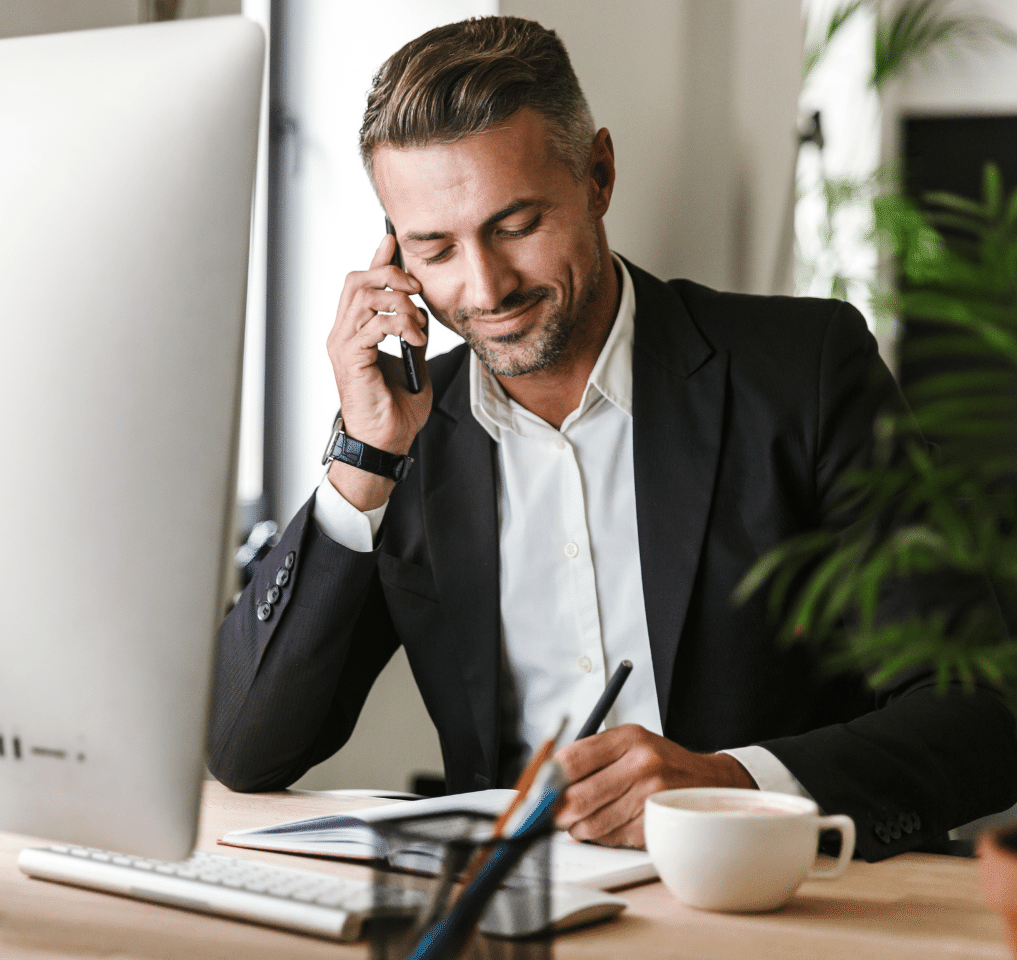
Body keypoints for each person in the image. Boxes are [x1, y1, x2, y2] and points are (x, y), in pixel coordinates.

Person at [207, 16, 1017, 861]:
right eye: (435, 247)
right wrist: (362, 464)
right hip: (518, 912)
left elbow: (982, 714)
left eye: (516, 224)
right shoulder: (410, 434)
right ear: (394, 253)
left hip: (772, 903)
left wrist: (730, 786)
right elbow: (247, 747)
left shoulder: (804, 372)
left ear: (598, 174)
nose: (484, 288)